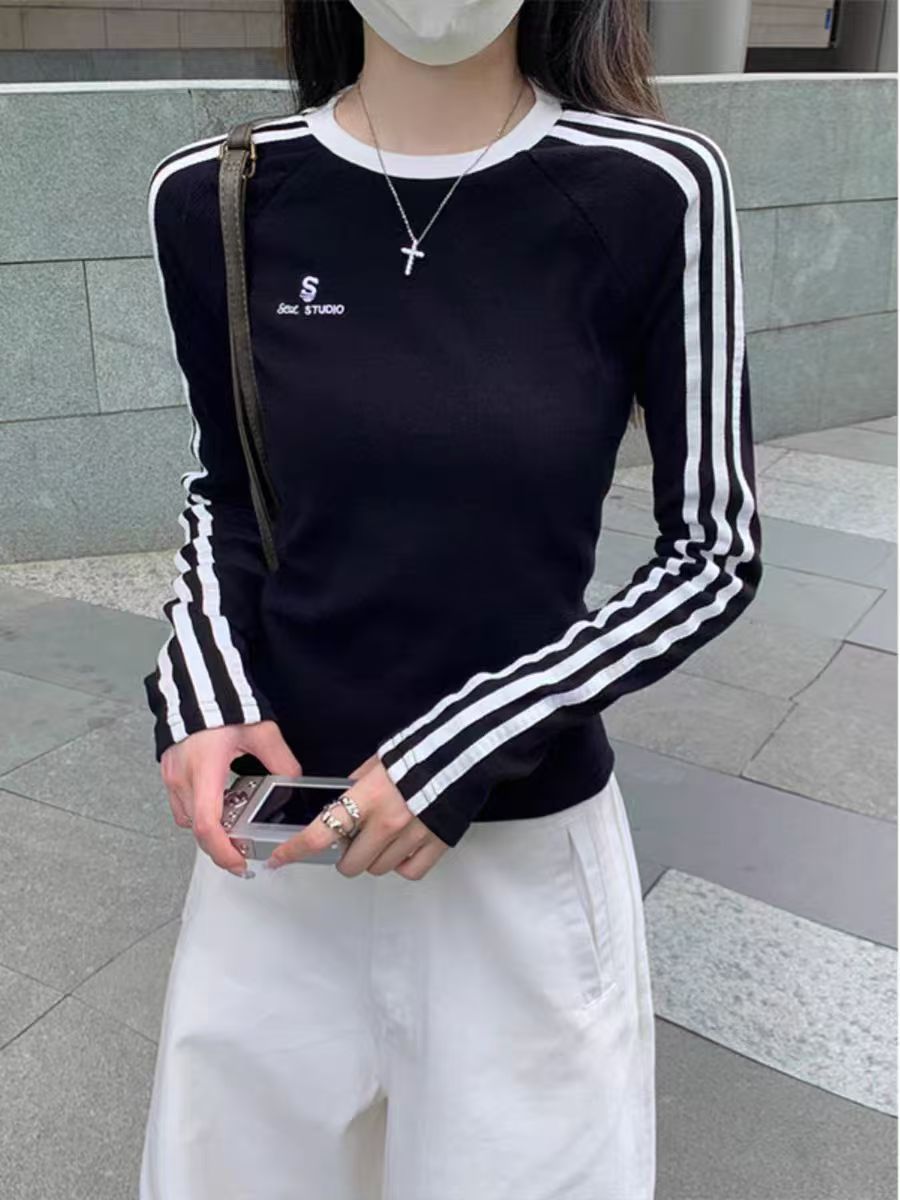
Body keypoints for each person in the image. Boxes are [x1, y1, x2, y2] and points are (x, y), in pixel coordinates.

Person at [139, 1, 763, 1197]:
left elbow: (713, 550)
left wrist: (460, 747)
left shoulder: (654, 187)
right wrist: (202, 691)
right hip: (276, 859)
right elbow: (229, 494)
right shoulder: (216, 195)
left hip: (519, 873)